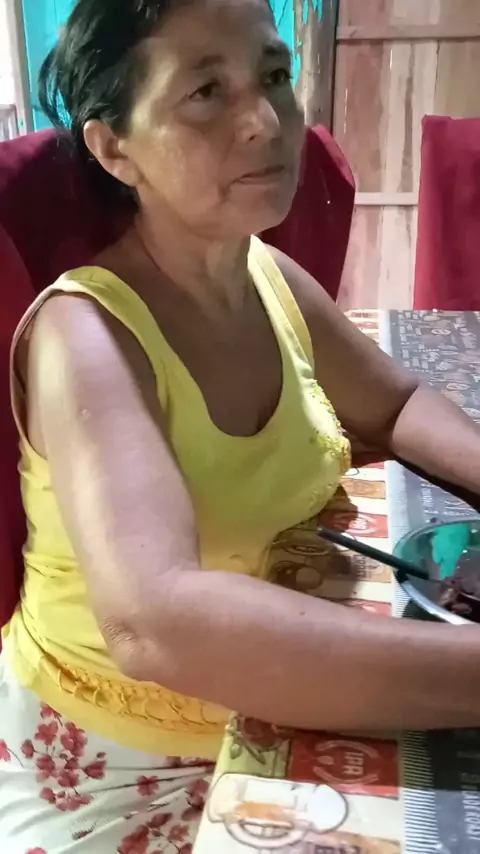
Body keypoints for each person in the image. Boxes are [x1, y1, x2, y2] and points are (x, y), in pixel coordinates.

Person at [2, 0, 480, 850]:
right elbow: (157, 620)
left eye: (273, 76)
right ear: (114, 149)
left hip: (277, 715)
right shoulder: (88, 335)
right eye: (205, 93)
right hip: (120, 771)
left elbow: (396, 403)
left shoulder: (266, 276)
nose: (264, 120)